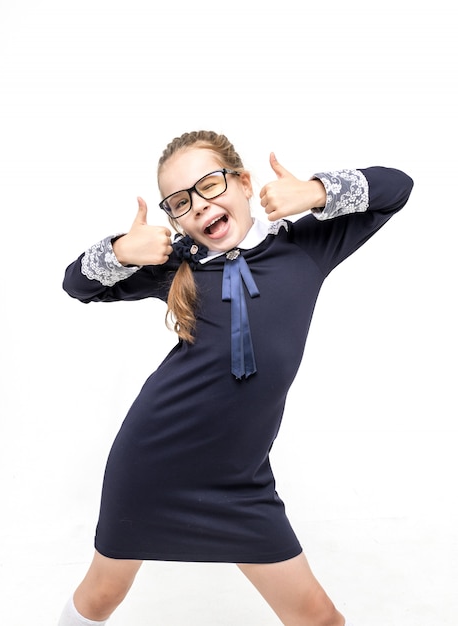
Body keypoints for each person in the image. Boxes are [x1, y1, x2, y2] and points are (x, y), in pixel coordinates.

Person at [59, 130, 414, 626]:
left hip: (240, 478)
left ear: (245, 182)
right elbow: (76, 285)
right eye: (180, 202)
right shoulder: (175, 266)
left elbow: (398, 186)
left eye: (209, 185)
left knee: (317, 616)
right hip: (152, 460)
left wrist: (315, 191)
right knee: (102, 595)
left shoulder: (305, 248)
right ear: (174, 218)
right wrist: (120, 250)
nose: (200, 206)